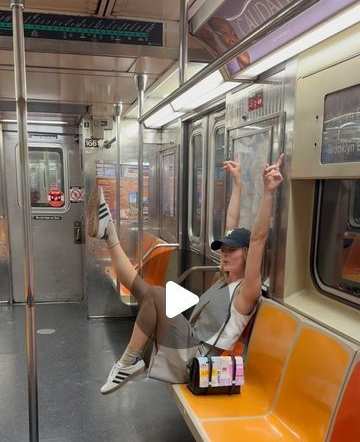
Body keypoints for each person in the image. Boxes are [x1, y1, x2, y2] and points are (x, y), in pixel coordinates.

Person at [87, 155, 284, 395]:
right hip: (188, 348)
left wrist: (268, 193)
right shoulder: (223, 280)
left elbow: (258, 239)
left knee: (158, 294)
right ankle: (109, 233)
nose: (224, 254)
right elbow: (229, 223)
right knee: (145, 290)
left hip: (198, 363)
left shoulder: (246, 291)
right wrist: (238, 184)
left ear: (246, 255)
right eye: (223, 249)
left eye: (232, 251)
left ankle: (128, 362)